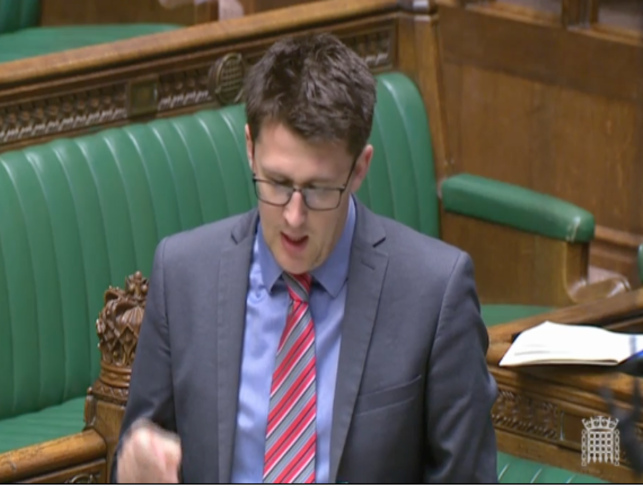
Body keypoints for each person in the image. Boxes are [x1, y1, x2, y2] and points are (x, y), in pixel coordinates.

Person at [112, 33, 499, 483]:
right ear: (250, 149)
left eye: (318, 190)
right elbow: (138, 460)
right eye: (277, 183)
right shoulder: (183, 273)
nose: (294, 217)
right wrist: (131, 471)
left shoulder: (434, 292)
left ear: (359, 168)